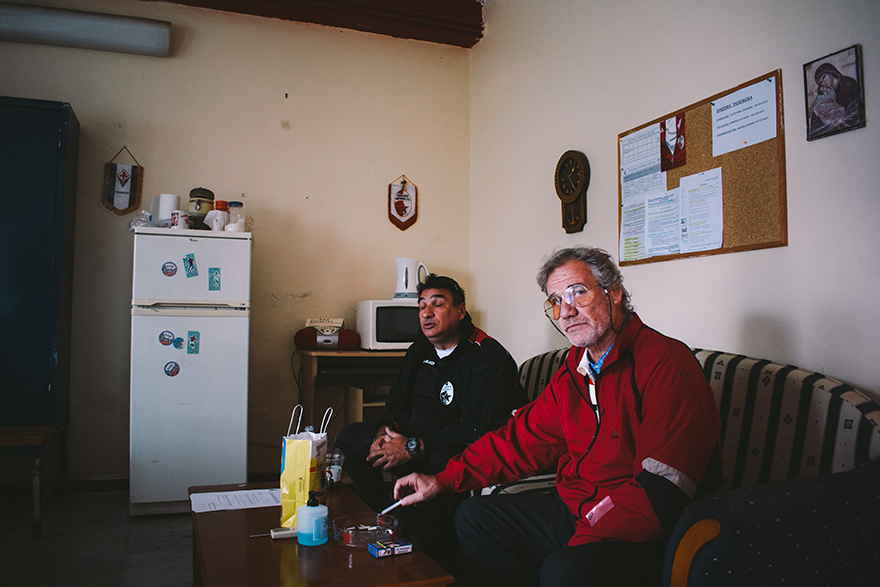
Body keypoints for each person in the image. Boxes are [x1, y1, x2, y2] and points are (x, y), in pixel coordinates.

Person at [392, 247, 724, 587]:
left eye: (578, 292)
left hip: (648, 528)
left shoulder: (667, 364)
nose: (566, 311)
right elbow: (520, 441)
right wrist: (443, 480)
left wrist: (581, 538)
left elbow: (660, 493)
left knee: (563, 569)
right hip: (580, 510)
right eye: (555, 300)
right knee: (473, 518)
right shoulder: (575, 371)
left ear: (614, 292)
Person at [336, 273, 527, 567]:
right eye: (422, 306)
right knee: (351, 436)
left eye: (437, 304)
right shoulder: (420, 349)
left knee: (442, 457)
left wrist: (412, 447)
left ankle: (438, 555)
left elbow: (475, 426)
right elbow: (396, 403)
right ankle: (384, 516)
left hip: (452, 442)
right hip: (413, 438)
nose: (426, 313)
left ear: (461, 311)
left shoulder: (488, 356)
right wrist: (382, 435)